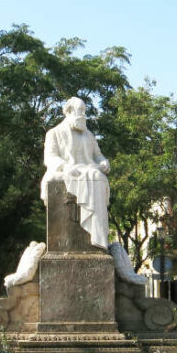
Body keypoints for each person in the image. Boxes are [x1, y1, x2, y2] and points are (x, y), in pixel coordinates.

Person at [40, 96, 111, 249]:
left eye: (85, 111)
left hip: (87, 170)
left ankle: (97, 238)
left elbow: (98, 156)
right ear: (69, 111)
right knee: (66, 177)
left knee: (98, 177)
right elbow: (50, 158)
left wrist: (103, 162)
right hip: (65, 170)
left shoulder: (89, 135)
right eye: (81, 111)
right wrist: (65, 166)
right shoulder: (54, 133)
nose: (84, 115)